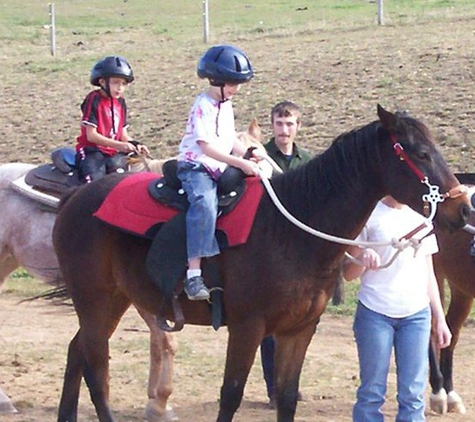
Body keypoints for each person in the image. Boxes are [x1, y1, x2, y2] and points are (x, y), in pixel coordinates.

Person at [342, 195, 452, 422]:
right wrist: (362, 258)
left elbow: (428, 273)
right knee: (372, 391)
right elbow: (348, 274)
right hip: (375, 313)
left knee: (413, 394)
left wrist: (440, 318)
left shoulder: (421, 219)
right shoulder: (368, 216)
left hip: (416, 315)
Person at [177, 44, 260, 301]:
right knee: (205, 205)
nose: (236, 89)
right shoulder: (203, 105)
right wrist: (239, 163)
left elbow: (228, 139)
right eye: (233, 83)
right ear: (217, 81)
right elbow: (206, 146)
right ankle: (193, 275)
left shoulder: (226, 105)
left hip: (218, 165)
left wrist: (247, 151)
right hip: (196, 167)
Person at [260, 100, 312, 408]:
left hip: (302, 253)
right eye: (279, 124)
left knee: (301, 321)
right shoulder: (260, 155)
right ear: (272, 126)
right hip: (270, 249)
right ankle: (273, 386)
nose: (284, 130)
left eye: (290, 124)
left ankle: (289, 381)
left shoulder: (307, 160)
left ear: (298, 126)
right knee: (269, 322)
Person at [75, 55, 149, 183]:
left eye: (123, 84)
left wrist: (136, 145)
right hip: (92, 151)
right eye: (115, 82)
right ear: (102, 82)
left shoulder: (120, 102)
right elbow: (91, 136)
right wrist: (119, 145)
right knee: (94, 184)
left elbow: (122, 134)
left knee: (123, 181)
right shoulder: (93, 99)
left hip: (113, 152)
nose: (120, 88)